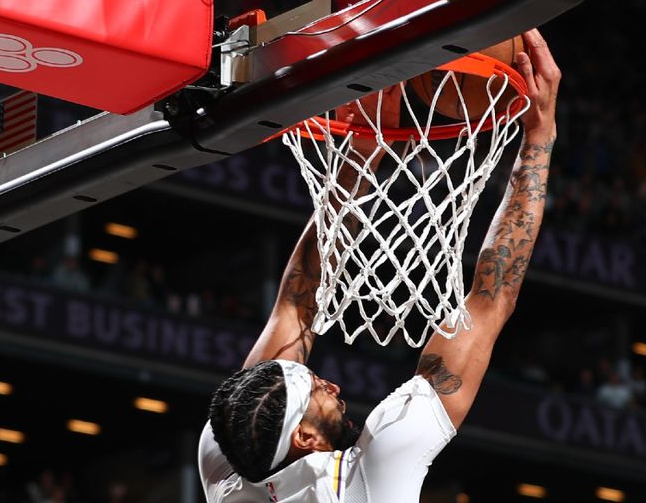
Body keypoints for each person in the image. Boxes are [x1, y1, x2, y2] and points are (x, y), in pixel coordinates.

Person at [198, 28, 560, 502]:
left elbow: (296, 307)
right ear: (303, 438)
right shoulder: (365, 483)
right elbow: (491, 300)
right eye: (317, 390)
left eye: (316, 382)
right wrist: (541, 133)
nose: (329, 382)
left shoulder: (235, 443)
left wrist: (358, 162)